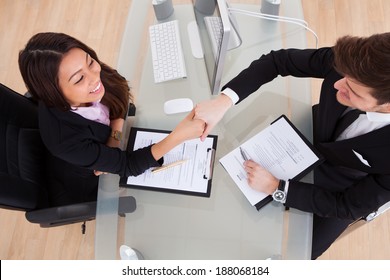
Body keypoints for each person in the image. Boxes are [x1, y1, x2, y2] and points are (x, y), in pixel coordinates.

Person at [194, 33, 390, 259]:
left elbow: (348, 206)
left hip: (343, 185)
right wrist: (224, 101)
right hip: (312, 131)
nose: (337, 83)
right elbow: (279, 61)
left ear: (386, 106)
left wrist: (278, 188)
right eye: (343, 77)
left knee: (299, 255)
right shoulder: (353, 64)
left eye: (351, 90)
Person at [18, 32, 205, 206]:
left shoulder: (91, 75)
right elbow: (128, 165)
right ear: (54, 93)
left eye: (90, 62)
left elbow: (119, 87)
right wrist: (178, 136)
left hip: (109, 149)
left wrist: (114, 138)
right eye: (78, 79)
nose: (95, 77)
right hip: (91, 182)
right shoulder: (64, 139)